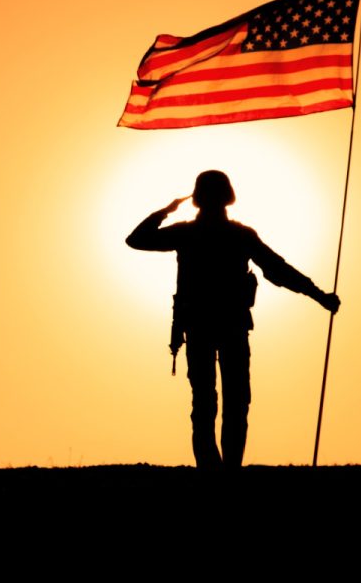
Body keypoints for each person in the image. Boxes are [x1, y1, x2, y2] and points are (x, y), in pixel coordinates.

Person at [126, 170, 340, 470]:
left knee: (210, 403)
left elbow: (136, 239)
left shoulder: (190, 233)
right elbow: (279, 270)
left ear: (197, 198)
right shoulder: (237, 236)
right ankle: (227, 471)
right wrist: (320, 296)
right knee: (231, 402)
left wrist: (165, 211)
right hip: (227, 326)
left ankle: (215, 471)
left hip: (209, 325)